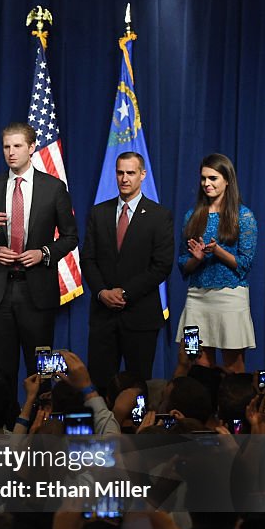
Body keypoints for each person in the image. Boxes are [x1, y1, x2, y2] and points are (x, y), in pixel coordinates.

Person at [0, 122, 78, 396]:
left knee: (40, 368)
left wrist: (44, 253)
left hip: (37, 291)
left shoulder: (53, 188)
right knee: (2, 369)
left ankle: (39, 427)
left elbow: (70, 236)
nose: (11, 152)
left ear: (31, 148)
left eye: (17, 146)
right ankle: (6, 426)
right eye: (6, 146)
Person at [81, 152, 174, 390]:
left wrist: (125, 293)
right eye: (120, 172)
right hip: (103, 318)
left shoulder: (159, 216)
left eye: (130, 173)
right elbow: (88, 259)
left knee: (137, 388)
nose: (124, 178)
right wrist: (102, 292)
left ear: (142, 175)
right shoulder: (98, 213)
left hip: (140, 317)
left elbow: (161, 265)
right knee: (100, 387)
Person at [176, 153, 257, 374]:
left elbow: (245, 264)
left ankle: (233, 408)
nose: (206, 184)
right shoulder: (192, 216)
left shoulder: (243, 216)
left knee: (233, 368)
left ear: (227, 180)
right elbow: (183, 264)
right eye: (203, 178)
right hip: (198, 297)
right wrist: (196, 259)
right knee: (200, 367)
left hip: (230, 297)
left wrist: (218, 251)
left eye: (213, 178)